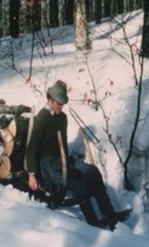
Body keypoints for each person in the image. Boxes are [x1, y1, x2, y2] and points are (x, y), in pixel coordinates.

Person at [25, 80, 131, 230]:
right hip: (47, 164)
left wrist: (69, 160)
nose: (61, 107)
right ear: (50, 100)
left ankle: (111, 215)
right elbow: (33, 146)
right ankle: (93, 222)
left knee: (93, 173)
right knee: (78, 180)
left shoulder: (62, 117)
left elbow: (61, 144)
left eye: (62, 104)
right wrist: (31, 174)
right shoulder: (43, 118)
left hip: (61, 159)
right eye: (58, 104)